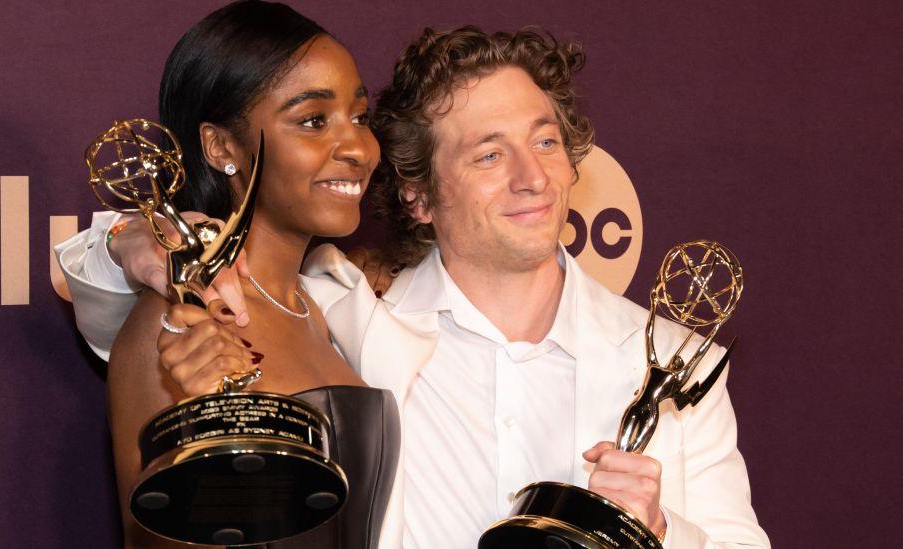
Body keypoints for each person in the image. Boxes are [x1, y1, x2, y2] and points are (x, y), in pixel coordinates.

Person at [58, 24, 770, 549]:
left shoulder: (681, 362)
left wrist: (665, 533)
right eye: (490, 153)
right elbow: (146, 313)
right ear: (418, 197)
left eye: (546, 141)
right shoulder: (353, 314)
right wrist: (132, 241)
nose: (532, 177)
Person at [61, 2, 401, 547]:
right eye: (313, 120)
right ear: (221, 147)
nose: (359, 148)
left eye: (359, 117)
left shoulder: (334, 304)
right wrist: (206, 455)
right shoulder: (175, 322)